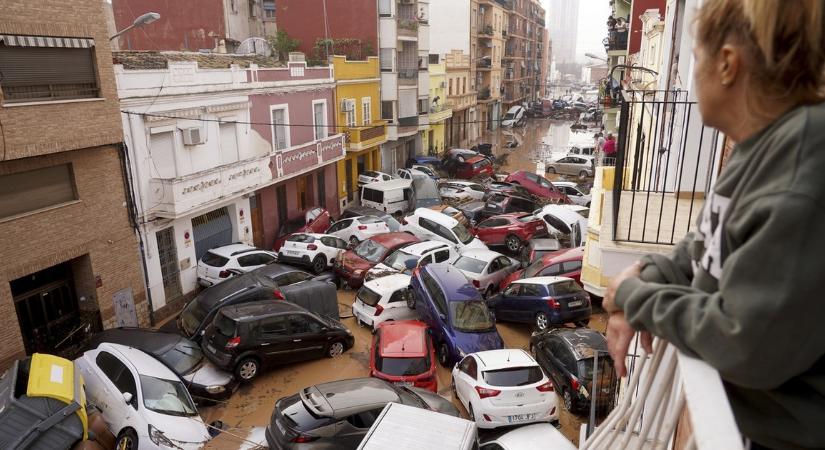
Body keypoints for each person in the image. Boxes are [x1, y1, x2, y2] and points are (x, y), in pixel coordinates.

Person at [603, 1, 825, 449]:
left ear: (727, 64)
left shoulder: (802, 162)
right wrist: (650, 271)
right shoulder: (758, 145)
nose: (692, 73)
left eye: (697, 57)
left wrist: (633, 296)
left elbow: (746, 344)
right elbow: (707, 242)